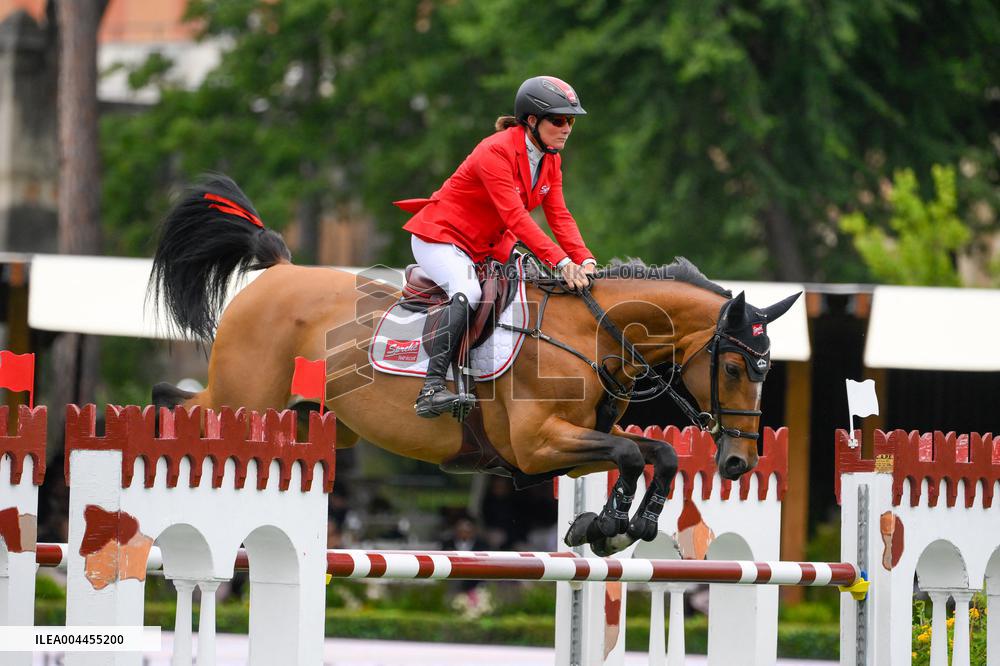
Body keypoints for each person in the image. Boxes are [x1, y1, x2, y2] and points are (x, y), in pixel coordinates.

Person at [395, 75, 598, 419]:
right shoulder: (495, 150)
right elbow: (517, 218)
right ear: (532, 121)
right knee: (469, 292)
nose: (567, 128)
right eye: (559, 120)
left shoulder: (550, 159)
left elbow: (560, 215)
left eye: (571, 121)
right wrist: (563, 264)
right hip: (442, 237)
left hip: (487, 246)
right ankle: (430, 389)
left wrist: (586, 260)